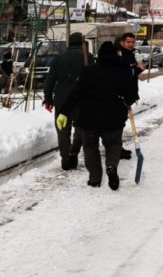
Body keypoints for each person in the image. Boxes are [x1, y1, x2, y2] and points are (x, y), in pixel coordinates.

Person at [57, 41, 138, 191]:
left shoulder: (89, 71)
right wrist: (127, 99)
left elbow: (76, 93)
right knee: (113, 144)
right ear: (115, 54)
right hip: (113, 118)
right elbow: (131, 95)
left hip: (89, 118)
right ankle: (111, 167)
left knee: (90, 148)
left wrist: (63, 111)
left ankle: (94, 178)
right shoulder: (124, 71)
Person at [43, 32, 91, 170]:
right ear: (82, 44)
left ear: (69, 43)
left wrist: (48, 100)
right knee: (81, 129)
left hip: (61, 101)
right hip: (82, 100)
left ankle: (66, 160)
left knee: (62, 131)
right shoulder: (88, 58)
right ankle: (73, 152)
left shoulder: (59, 58)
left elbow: (50, 81)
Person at [115, 32, 142, 161]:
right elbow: (124, 75)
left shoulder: (130, 54)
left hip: (128, 94)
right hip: (121, 95)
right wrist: (137, 70)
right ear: (122, 43)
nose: (131, 44)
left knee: (121, 122)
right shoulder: (119, 56)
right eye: (128, 42)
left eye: (132, 42)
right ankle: (116, 149)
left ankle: (117, 147)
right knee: (118, 123)